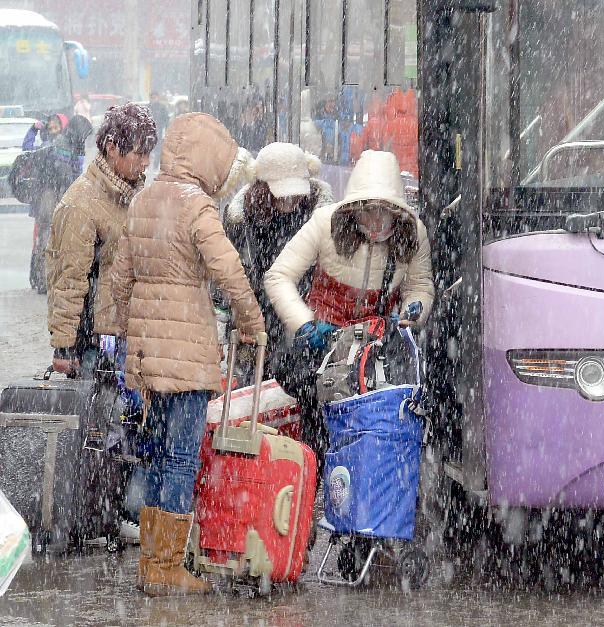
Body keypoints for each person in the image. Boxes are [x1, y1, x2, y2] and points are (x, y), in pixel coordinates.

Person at [111, 112, 265, 597]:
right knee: (181, 459)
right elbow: (228, 268)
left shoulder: (142, 200)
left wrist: (130, 333)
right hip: (189, 353)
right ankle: (167, 567)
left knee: (158, 455)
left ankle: (152, 563)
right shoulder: (197, 205)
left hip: (148, 357)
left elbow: (119, 280)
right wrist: (250, 319)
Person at [264, 150, 435, 472]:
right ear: (353, 209)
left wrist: (415, 311)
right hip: (322, 348)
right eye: (368, 211)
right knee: (320, 429)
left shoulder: (415, 234)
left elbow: (420, 286)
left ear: (398, 212)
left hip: (374, 353)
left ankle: (357, 498)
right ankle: (316, 491)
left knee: (367, 432)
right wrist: (304, 325)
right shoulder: (323, 224)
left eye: (385, 212)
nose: (376, 222)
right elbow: (278, 276)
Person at [45, 105, 157, 378]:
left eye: (149, 154)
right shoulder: (80, 205)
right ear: (111, 147)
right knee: (102, 418)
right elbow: (68, 280)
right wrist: (64, 347)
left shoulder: (131, 194)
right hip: (96, 343)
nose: (145, 163)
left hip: (127, 334)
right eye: (139, 153)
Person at [224, 142, 333, 385]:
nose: (292, 199)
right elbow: (232, 273)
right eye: (285, 193)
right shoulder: (242, 220)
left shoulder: (319, 216)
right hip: (258, 319)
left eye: (297, 192)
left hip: (305, 318)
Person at [28, 115, 93, 294]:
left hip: (56, 195)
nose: (84, 139)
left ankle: (46, 278)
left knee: (52, 238)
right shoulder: (63, 144)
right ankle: (43, 280)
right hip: (50, 196)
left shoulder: (71, 143)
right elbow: (65, 174)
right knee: (48, 238)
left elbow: (76, 171)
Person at [148, 92, 170, 169]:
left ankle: (155, 166)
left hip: (159, 131)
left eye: (155, 97)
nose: (154, 99)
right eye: (152, 97)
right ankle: (147, 166)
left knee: (158, 150)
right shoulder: (147, 107)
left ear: (158, 98)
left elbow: (166, 119)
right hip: (148, 132)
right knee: (148, 149)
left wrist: (166, 129)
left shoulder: (162, 107)